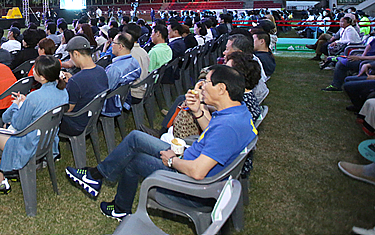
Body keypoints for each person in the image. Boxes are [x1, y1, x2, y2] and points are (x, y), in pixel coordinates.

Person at [65, 65, 257, 220]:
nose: (202, 86)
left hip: (194, 186)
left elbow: (198, 172)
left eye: (206, 82)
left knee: (134, 160)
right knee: (135, 138)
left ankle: (111, 196)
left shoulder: (228, 126)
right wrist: (198, 111)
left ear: (221, 88)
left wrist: (172, 161)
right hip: (192, 160)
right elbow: (212, 136)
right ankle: (98, 178)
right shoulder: (237, 113)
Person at [0, 55, 69, 191]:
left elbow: (16, 123)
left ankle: (1, 179)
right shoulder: (63, 92)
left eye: (35, 69)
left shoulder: (35, 97)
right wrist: (24, 104)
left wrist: (17, 105)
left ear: (42, 76)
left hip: (29, 144)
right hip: (48, 140)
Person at [322, 19, 375, 92]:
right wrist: (362, 56)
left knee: (342, 63)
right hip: (364, 58)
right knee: (342, 60)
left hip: (371, 62)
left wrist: (360, 58)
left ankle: (337, 85)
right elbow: (368, 46)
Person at [58, 36, 109, 136]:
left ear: (76, 54)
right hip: (92, 117)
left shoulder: (76, 81)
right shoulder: (101, 71)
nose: (71, 59)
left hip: (76, 123)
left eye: (70, 56)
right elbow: (88, 86)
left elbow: (68, 109)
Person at [102, 33, 141, 117]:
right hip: (123, 99)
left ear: (120, 47)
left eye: (114, 43)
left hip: (110, 105)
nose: (111, 45)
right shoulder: (134, 62)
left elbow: (104, 89)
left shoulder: (115, 69)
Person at [224, 33, 269, 102]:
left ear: (238, 53)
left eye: (227, 49)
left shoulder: (244, 69)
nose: (224, 52)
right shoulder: (251, 62)